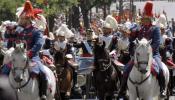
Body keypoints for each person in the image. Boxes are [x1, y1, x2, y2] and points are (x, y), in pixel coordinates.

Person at [118, 1, 166, 98]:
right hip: (139, 55)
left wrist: (148, 52)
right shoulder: (139, 28)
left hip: (152, 54)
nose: (144, 20)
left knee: (160, 69)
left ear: (150, 18)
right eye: (143, 18)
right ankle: (122, 89)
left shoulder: (155, 29)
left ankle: (162, 89)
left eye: (146, 18)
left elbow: (156, 43)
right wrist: (130, 33)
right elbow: (132, 40)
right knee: (126, 69)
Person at [4, 1, 48, 100]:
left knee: (42, 73)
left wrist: (30, 53)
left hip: (32, 57)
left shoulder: (36, 31)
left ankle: (43, 94)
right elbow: (7, 37)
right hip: (17, 57)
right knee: (4, 70)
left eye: (22, 18)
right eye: (20, 18)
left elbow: (39, 44)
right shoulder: (18, 29)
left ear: (28, 19)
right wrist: (9, 30)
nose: (20, 20)